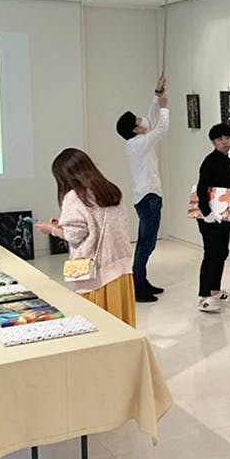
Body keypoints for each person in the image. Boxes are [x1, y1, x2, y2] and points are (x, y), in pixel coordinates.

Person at [36, 148, 136, 327]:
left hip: (96, 275)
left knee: (98, 326)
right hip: (121, 267)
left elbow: (75, 235)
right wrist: (63, 223)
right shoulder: (111, 190)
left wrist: (51, 229)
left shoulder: (74, 197)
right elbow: (98, 223)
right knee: (120, 326)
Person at [115, 76, 169, 303]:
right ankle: (137, 285)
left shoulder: (136, 141)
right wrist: (164, 108)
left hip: (146, 196)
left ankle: (141, 280)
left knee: (145, 243)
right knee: (146, 244)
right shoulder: (139, 143)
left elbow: (150, 118)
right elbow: (161, 127)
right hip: (149, 197)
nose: (142, 120)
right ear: (136, 129)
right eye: (138, 120)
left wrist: (157, 93)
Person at [195, 123, 230, 313]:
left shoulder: (227, 161)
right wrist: (207, 213)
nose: (225, 142)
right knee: (212, 253)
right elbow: (201, 188)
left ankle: (215, 290)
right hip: (210, 215)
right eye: (220, 139)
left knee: (221, 251)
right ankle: (205, 297)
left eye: (227, 138)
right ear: (213, 142)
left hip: (223, 213)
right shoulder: (210, 161)